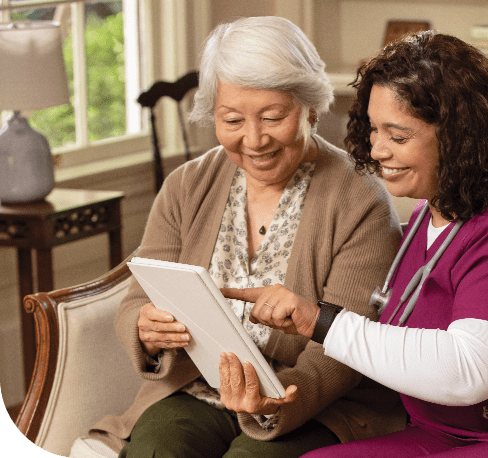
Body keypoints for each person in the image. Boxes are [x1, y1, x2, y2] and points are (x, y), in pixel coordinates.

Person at [222, 31, 488, 458]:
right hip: (445, 434)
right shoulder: (424, 219)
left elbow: (469, 370)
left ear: (459, 137)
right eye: (374, 130)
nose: (377, 150)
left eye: (397, 137)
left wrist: (320, 321)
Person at [69, 16, 407, 458]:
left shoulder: (361, 197)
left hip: (318, 402)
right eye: (232, 119)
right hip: (201, 389)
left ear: (310, 106)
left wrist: (276, 403)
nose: (254, 139)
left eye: (273, 116)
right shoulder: (187, 185)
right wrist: (145, 328)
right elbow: (138, 298)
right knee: (158, 448)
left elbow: (348, 341)